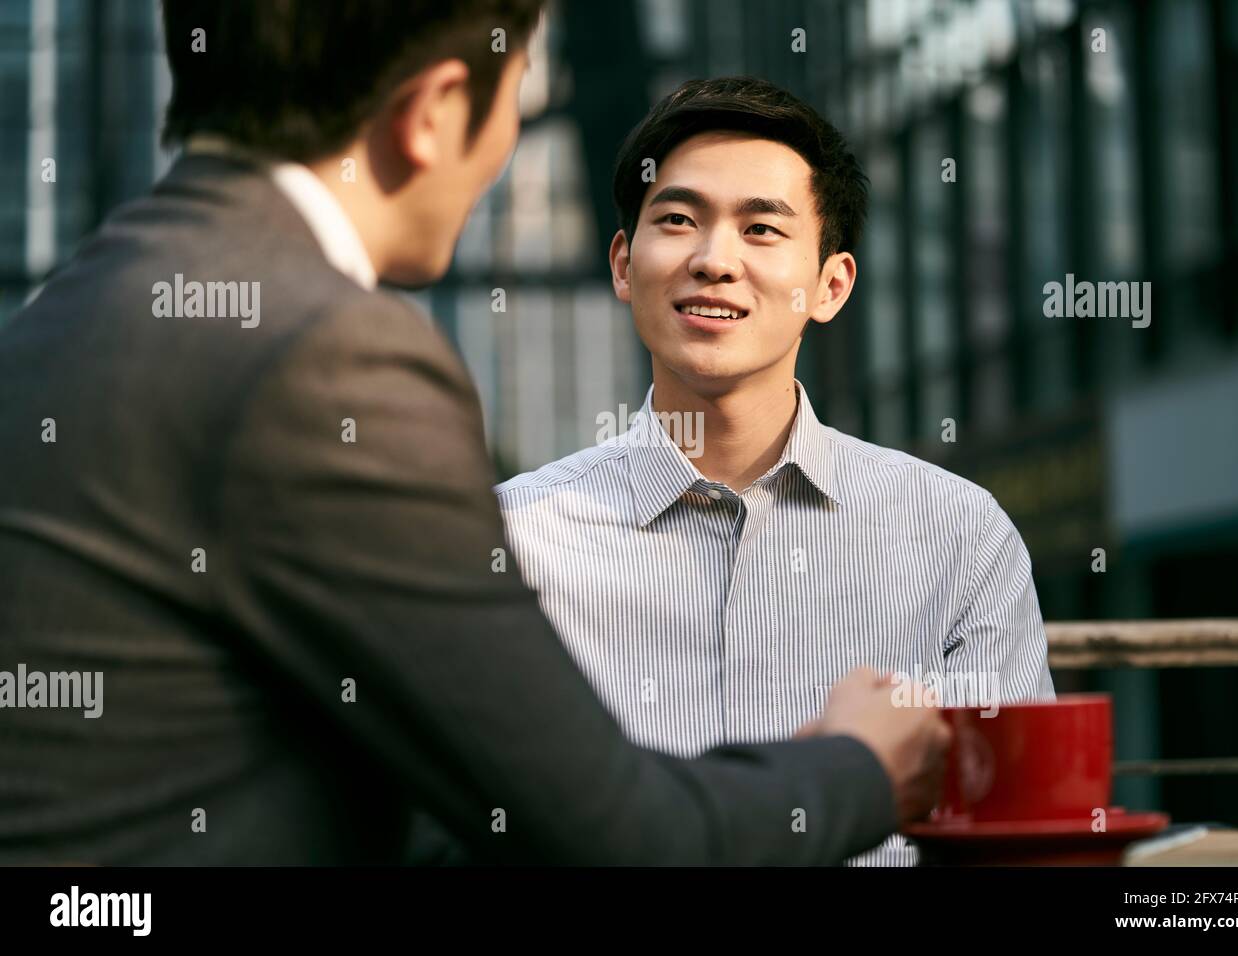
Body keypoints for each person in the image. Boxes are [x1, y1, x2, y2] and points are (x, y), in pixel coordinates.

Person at [0, 1, 949, 864]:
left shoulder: (64, 316)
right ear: (436, 112)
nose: (502, 148)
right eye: (512, 97)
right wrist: (860, 765)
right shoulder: (328, 355)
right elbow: (626, 844)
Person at [495, 77, 1054, 866]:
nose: (714, 260)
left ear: (830, 286)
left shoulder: (958, 536)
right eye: (678, 219)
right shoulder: (510, 541)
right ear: (624, 265)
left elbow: (1014, 835)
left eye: (762, 229)